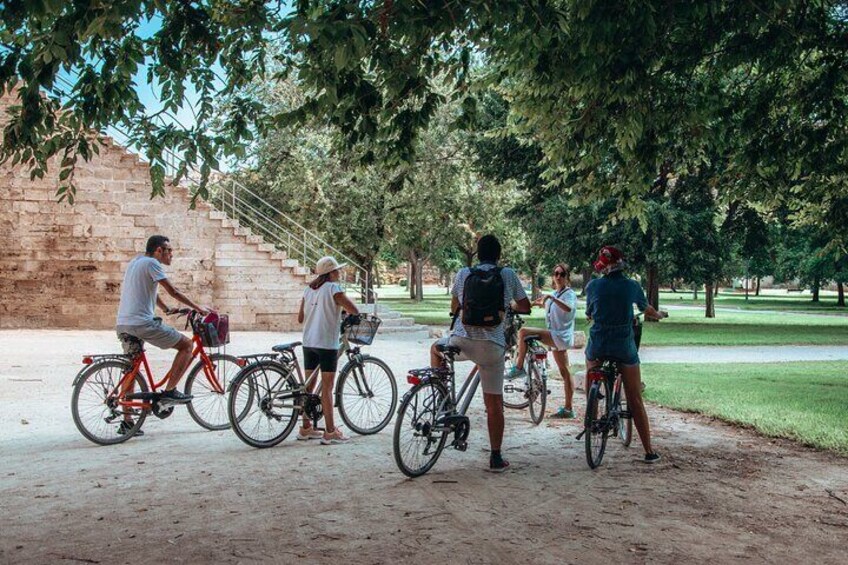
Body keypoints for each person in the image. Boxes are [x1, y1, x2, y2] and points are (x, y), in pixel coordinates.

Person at [430, 235, 531, 472]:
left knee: (435, 349)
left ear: (477, 253)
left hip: (461, 341)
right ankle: (496, 457)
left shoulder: (464, 273)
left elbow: (454, 307)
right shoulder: (507, 274)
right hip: (491, 346)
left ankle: (441, 394)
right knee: (494, 404)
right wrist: (509, 307)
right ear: (498, 255)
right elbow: (525, 305)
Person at [115, 235, 210, 434]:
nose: (171, 255)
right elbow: (173, 290)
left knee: (131, 368)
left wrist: (166, 309)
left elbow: (151, 292)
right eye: (169, 251)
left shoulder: (136, 262)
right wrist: (198, 308)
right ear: (158, 250)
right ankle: (169, 392)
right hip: (142, 324)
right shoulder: (152, 264)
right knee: (186, 346)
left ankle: (127, 421)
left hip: (124, 323)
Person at [584, 246, 667, 463]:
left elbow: (589, 313)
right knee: (635, 398)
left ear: (603, 266)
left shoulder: (593, 285)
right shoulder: (631, 286)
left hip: (599, 342)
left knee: (591, 364)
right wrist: (658, 314)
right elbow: (646, 308)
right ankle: (649, 451)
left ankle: (591, 410)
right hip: (623, 344)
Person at [297, 256, 360, 445]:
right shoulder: (334, 289)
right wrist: (347, 313)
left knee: (309, 387)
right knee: (327, 388)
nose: (339, 273)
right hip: (326, 344)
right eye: (336, 270)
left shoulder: (308, 290)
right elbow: (354, 309)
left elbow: (301, 318)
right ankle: (330, 431)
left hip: (309, 342)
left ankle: (306, 427)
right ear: (330, 273)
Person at [510, 263, 577, 419]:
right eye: (556, 274)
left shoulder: (569, 294)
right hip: (557, 337)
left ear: (567, 277)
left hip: (559, 336)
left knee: (524, 332)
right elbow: (540, 303)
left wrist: (551, 297)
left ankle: (519, 367)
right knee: (565, 372)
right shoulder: (555, 294)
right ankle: (568, 408)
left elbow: (569, 308)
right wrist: (519, 306)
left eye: (562, 274)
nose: (558, 276)